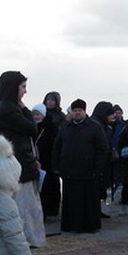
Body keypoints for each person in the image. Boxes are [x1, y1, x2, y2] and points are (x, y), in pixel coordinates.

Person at [0, 71, 46, 248]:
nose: (25, 91)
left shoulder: (8, 107)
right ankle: (22, 244)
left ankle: (27, 242)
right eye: (22, 86)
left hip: (22, 164)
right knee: (22, 210)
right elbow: (32, 129)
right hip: (17, 168)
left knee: (29, 209)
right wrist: (25, 109)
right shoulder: (8, 109)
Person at [52, 98, 109, 233]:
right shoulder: (65, 127)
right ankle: (71, 225)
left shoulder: (95, 127)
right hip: (69, 172)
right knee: (71, 202)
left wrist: (98, 169)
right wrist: (56, 166)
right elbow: (57, 147)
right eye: (75, 110)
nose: (77, 113)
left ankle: (90, 226)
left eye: (80, 110)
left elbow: (103, 149)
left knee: (88, 203)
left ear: (84, 112)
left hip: (88, 172)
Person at [40, 91, 65, 218]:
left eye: (52, 100)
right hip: (42, 153)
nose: (50, 102)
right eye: (48, 99)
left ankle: (53, 209)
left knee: (53, 182)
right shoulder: (41, 114)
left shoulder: (61, 116)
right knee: (42, 182)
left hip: (54, 152)